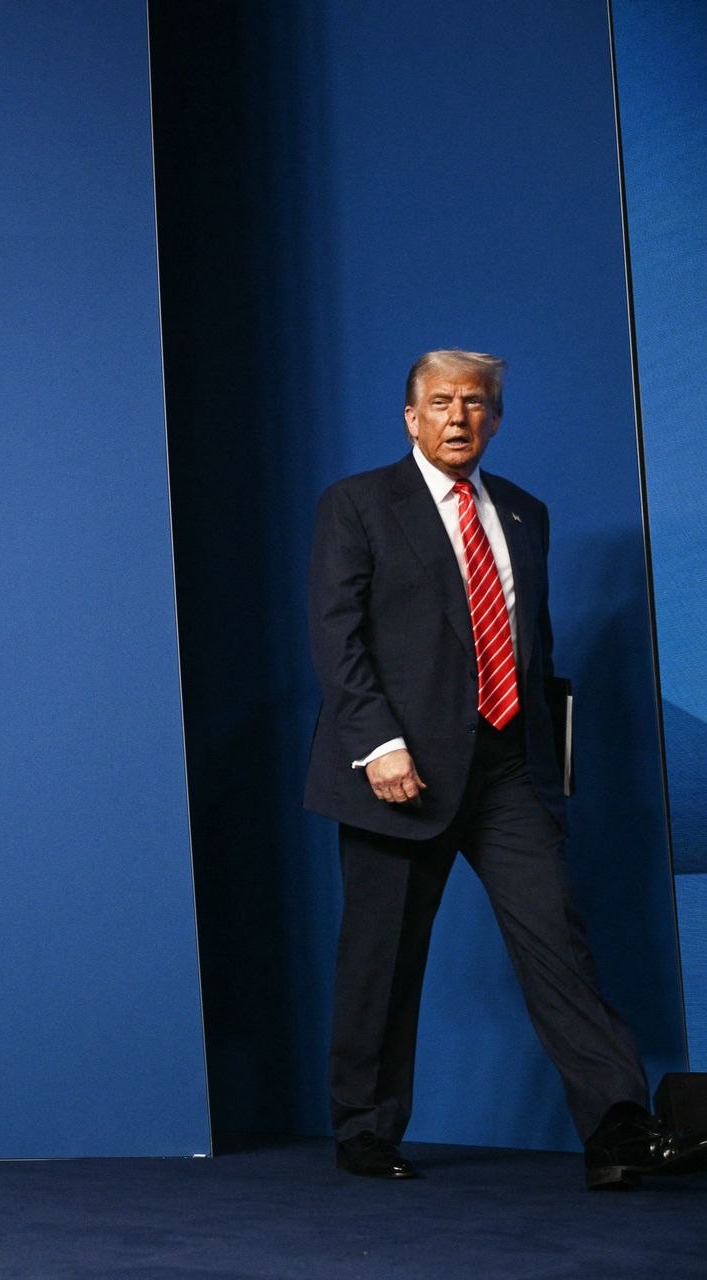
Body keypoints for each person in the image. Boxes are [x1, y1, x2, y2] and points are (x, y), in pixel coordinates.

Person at [302, 349, 707, 1190]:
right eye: (442, 402)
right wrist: (379, 746)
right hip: (399, 772)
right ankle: (366, 1131)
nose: (460, 417)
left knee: (559, 941)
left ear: (495, 418)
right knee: (382, 958)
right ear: (410, 418)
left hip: (504, 768)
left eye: (477, 403)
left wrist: (547, 768)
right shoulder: (358, 505)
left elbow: (534, 647)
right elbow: (338, 640)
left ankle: (618, 1129)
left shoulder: (523, 512)